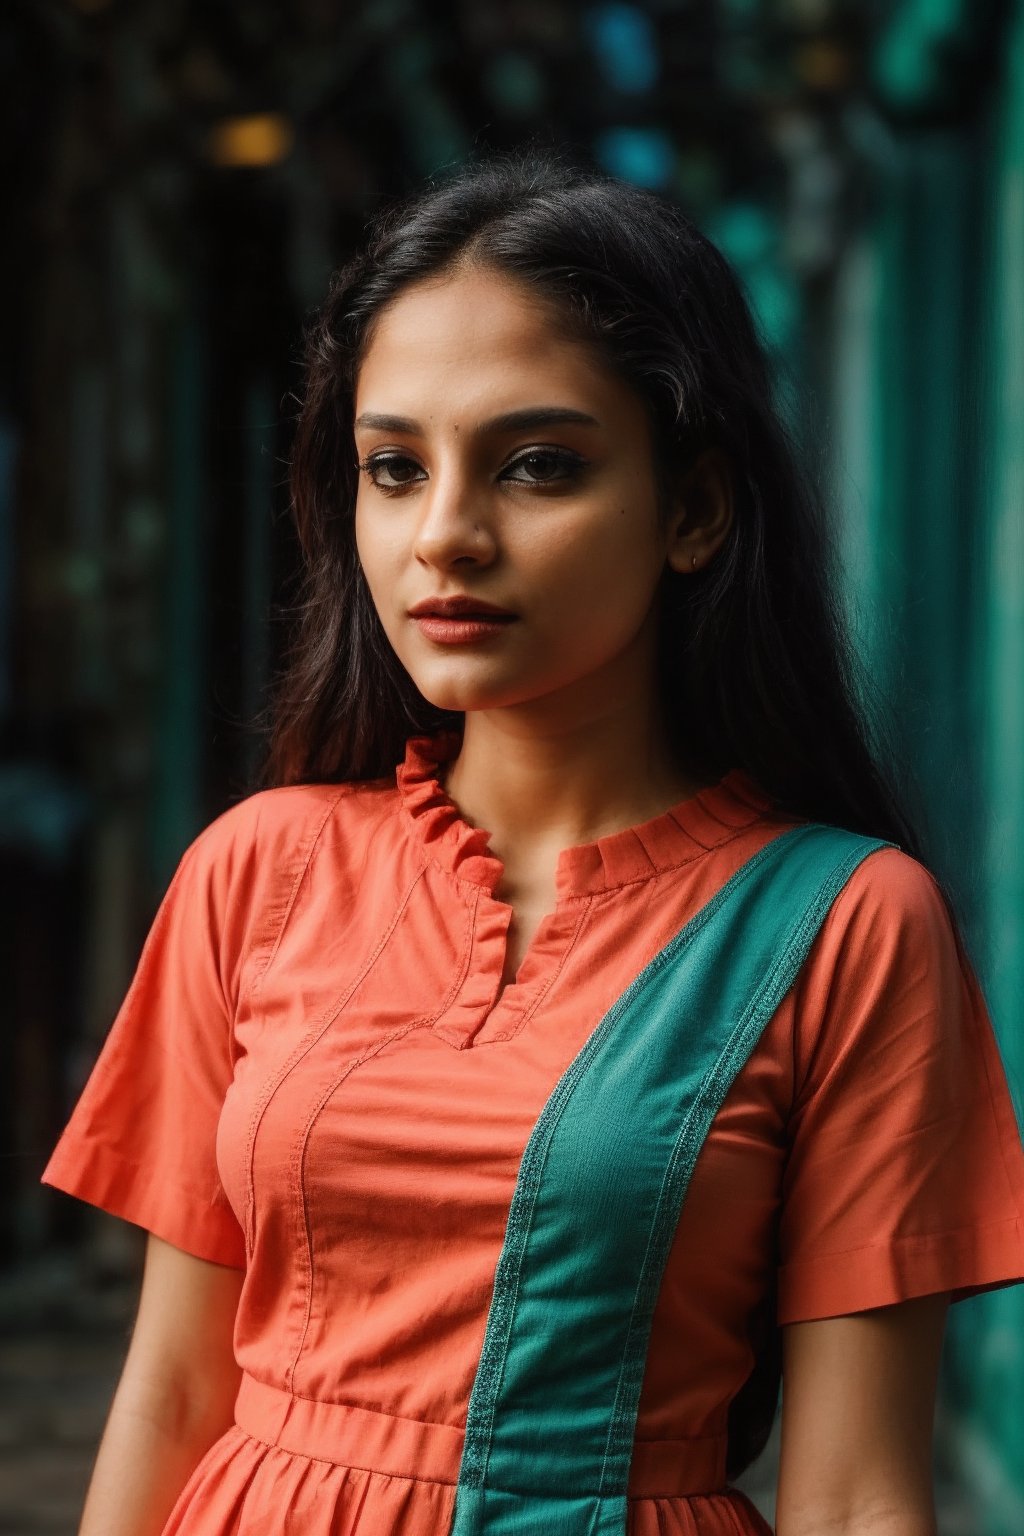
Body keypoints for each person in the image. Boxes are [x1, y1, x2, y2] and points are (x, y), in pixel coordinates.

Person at [41, 150, 1024, 1536]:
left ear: (694, 508)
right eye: (393, 468)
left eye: (538, 467)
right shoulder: (258, 870)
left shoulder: (843, 922)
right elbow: (173, 1387)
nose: (445, 536)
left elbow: (859, 1493)